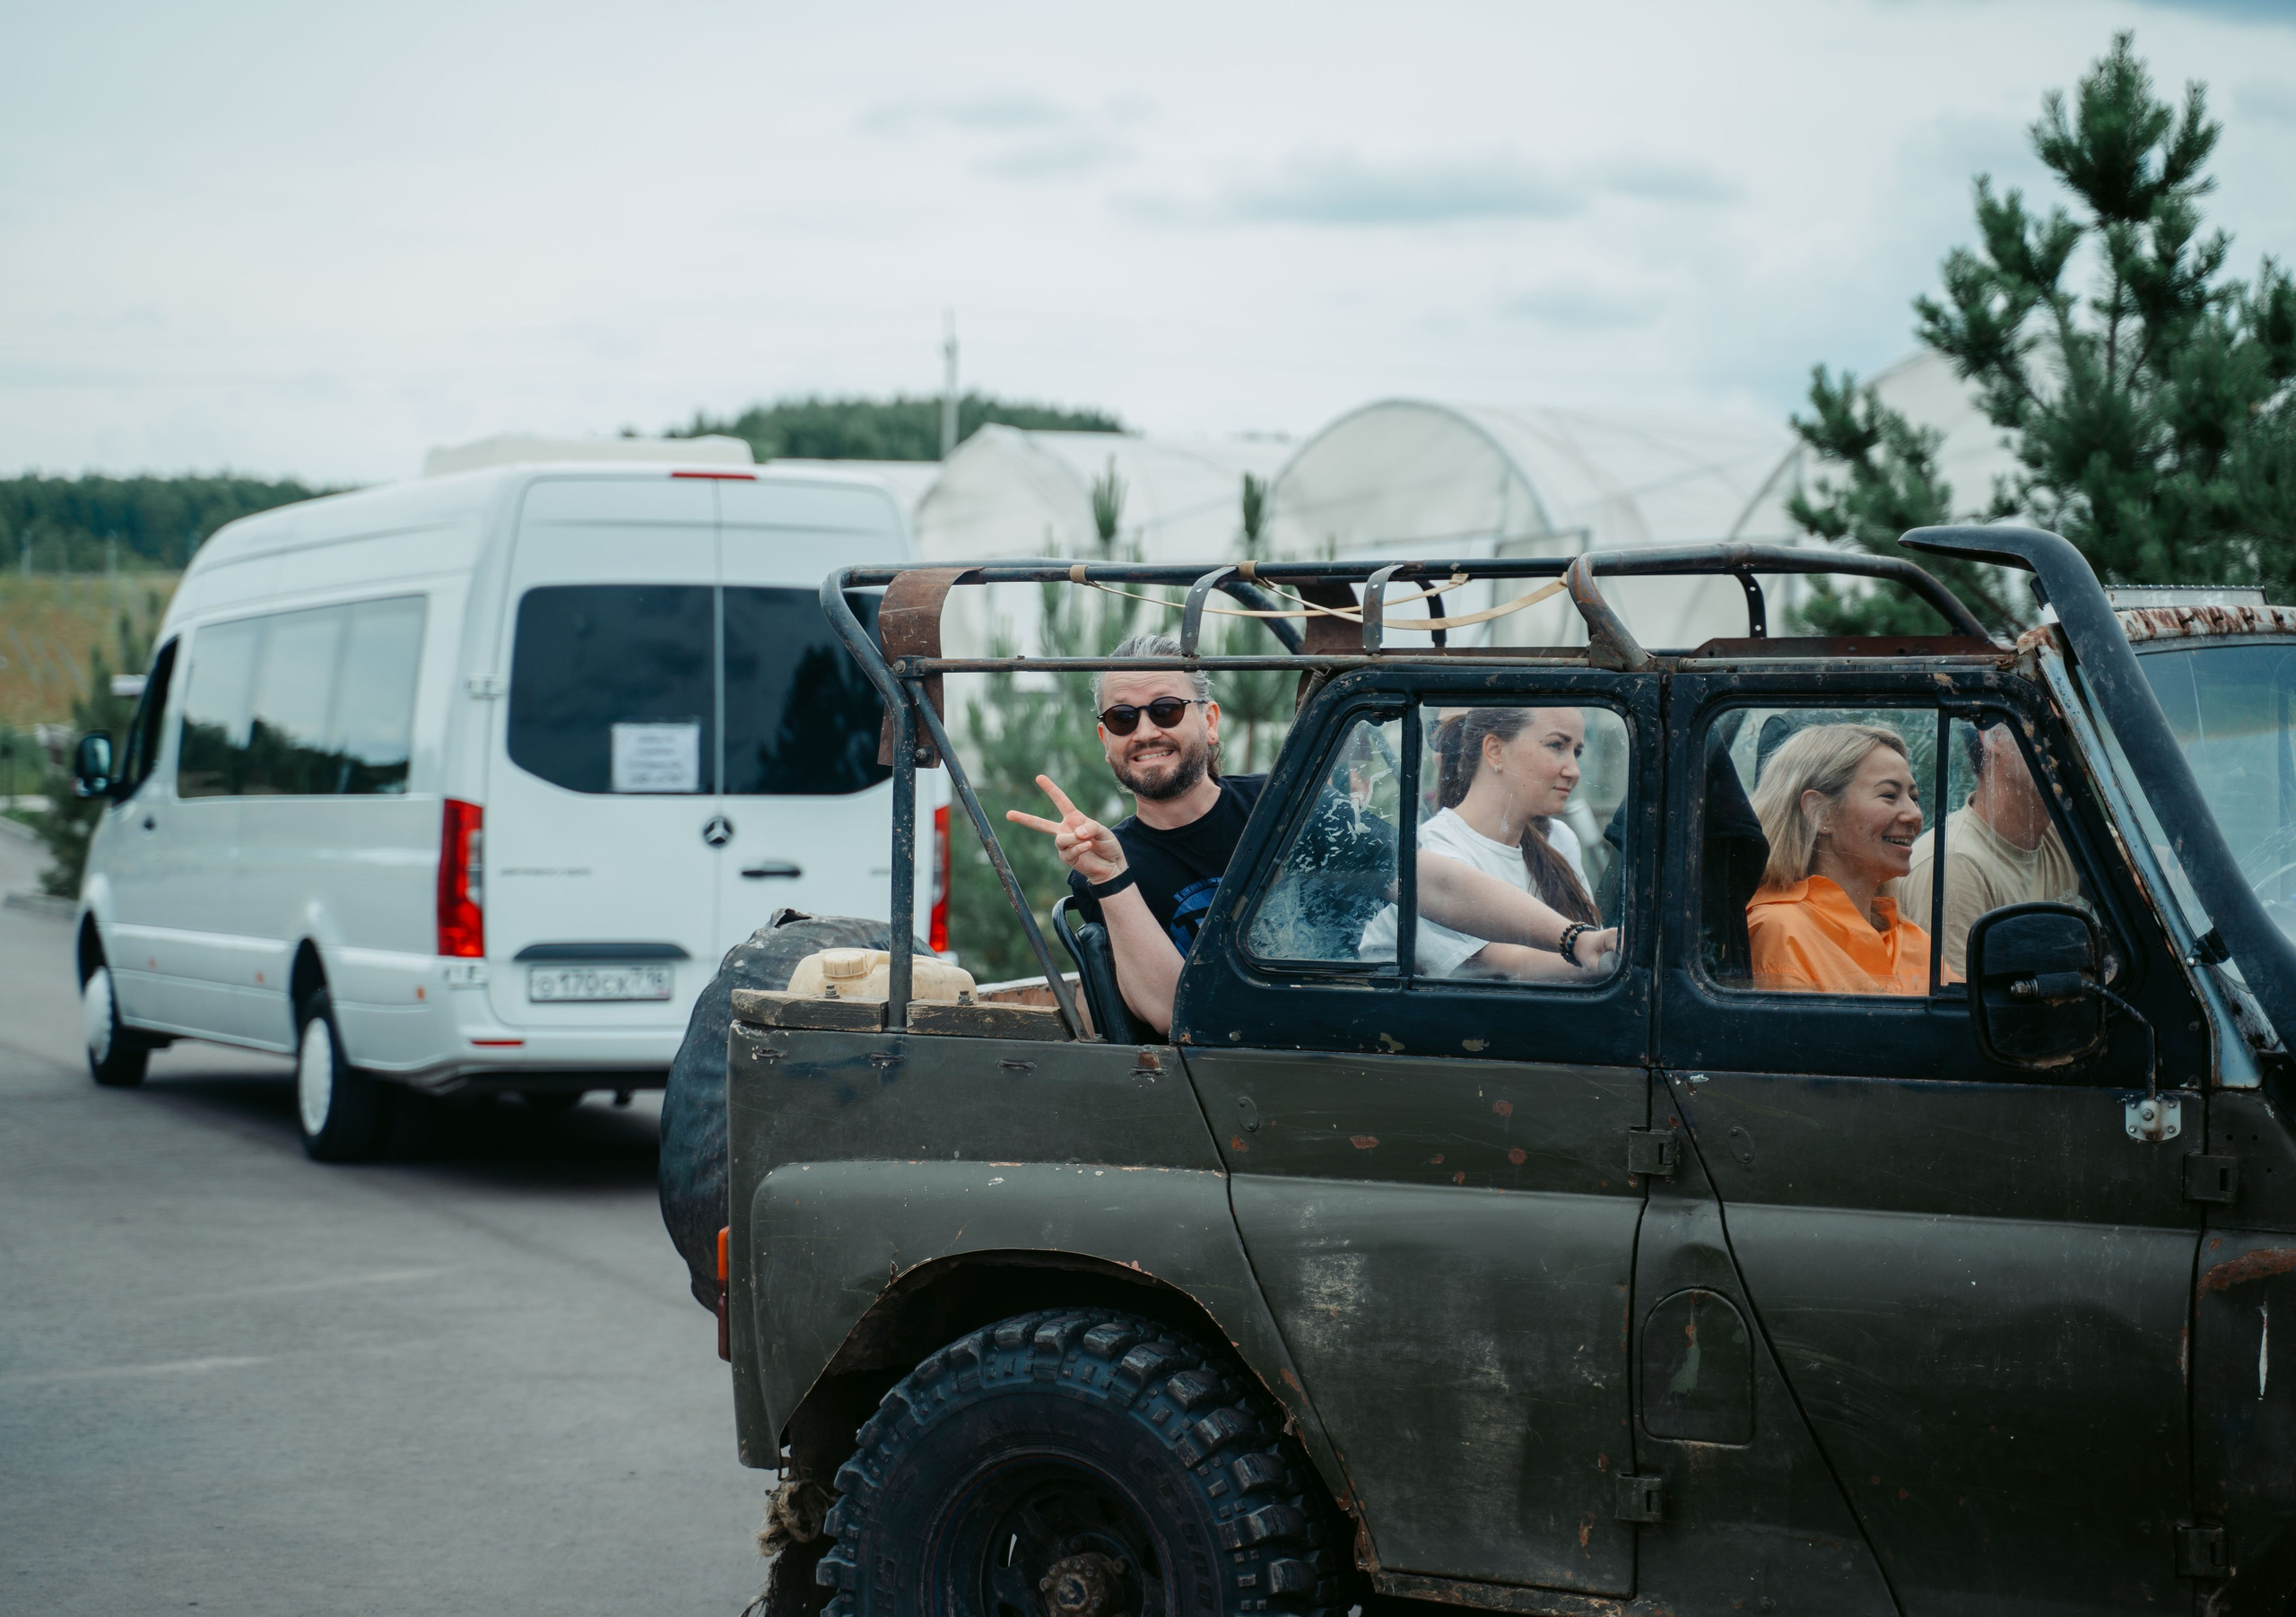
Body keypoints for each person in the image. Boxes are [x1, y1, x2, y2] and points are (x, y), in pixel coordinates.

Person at [1006, 633, 1616, 1035]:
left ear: (1209, 720)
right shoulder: (1108, 864)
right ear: (1105, 738)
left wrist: (1572, 939)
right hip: (1217, 1099)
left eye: (1165, 709)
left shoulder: (1284, 809)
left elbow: (1434, 882)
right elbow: (1175, 1011)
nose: (1145, 730)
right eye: (1123, 717)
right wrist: (1112, 878)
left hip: (1334, 1055)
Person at [1360, 708, 1606, 980]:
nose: (1574, 771)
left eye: (1577, 752)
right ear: (1495, 750)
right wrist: (1610, 959)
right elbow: (1503, 968)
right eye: (1556, 745)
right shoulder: (1430, 853)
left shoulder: (1559, 839)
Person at [1744, 722, 1937, 995]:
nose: (1915, 815)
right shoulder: (1781, 932)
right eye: (1889, 795)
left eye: (1914, 797)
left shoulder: (1909, 937)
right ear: (1821, 812)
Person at [1891, 720, 2080, 978]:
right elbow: (1959, 1006)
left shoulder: (2066, 834)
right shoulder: (1954, 864)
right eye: (2057, 730)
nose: (2079, 750)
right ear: (1994, 738)